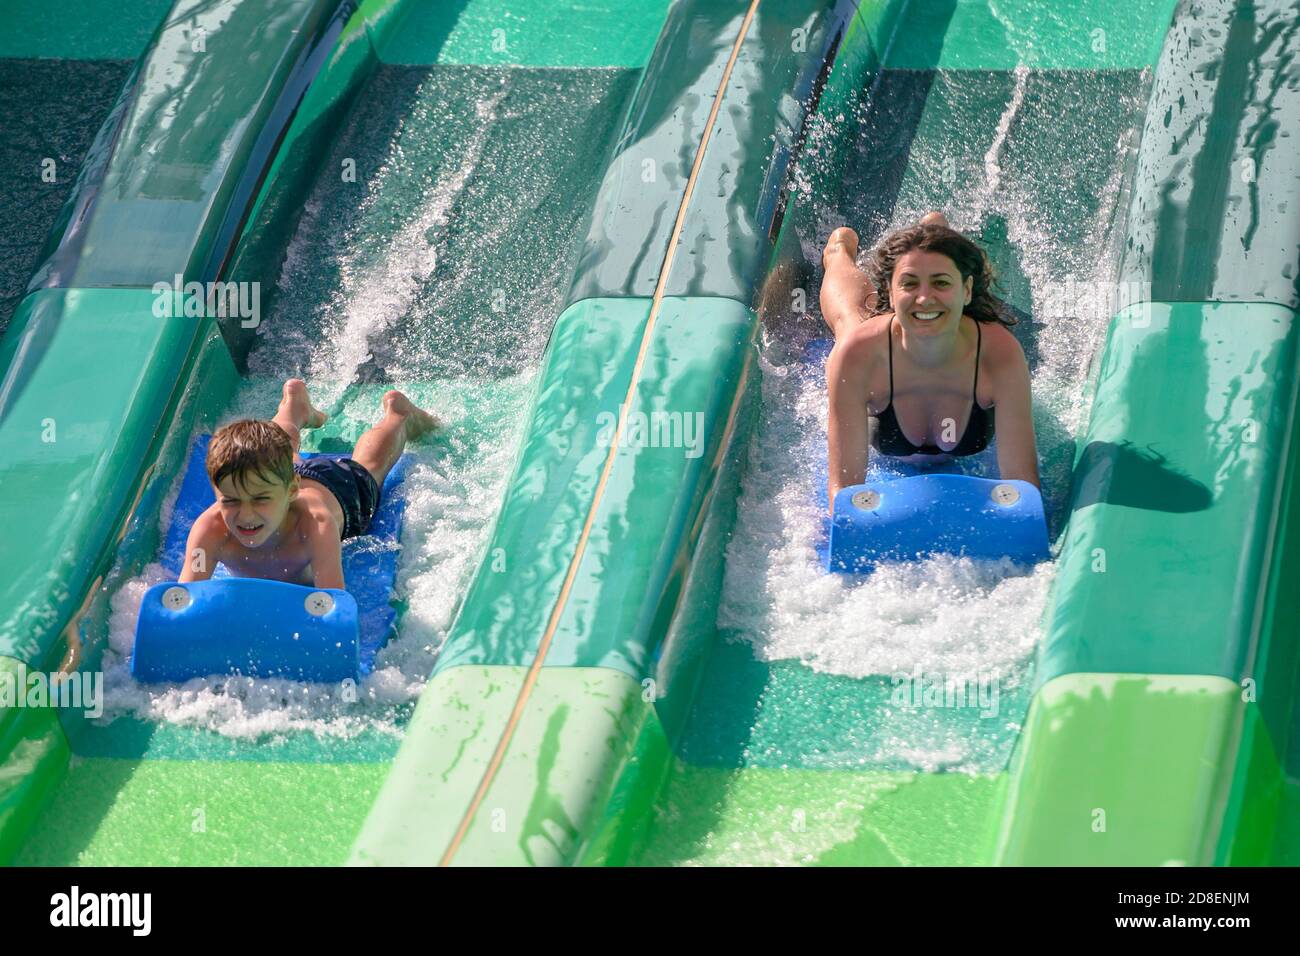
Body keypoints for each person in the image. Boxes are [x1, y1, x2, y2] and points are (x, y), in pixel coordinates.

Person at [820, 212, 1039, 512]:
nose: (924, 298)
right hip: (875, 344)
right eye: (909, 284)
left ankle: (930, 236)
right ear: (889, 292)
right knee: (850, 319)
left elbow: (1023, 490)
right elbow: (844, 493)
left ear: (966, 290)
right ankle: (839, 251)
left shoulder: (999, 356)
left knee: (924, 267)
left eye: (941, 283)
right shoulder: (859, 356)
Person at [178, 379, 439, 588]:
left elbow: (331, 603)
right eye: (231, 500)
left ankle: (399, 416)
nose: (245, 515)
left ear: (292, 490)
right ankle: (294, 408)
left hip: (341, 490)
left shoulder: (316, 527)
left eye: (260, 500)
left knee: (369, 466)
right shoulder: (209, 532)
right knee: (273, 456)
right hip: (280, 478)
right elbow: (186, 595)